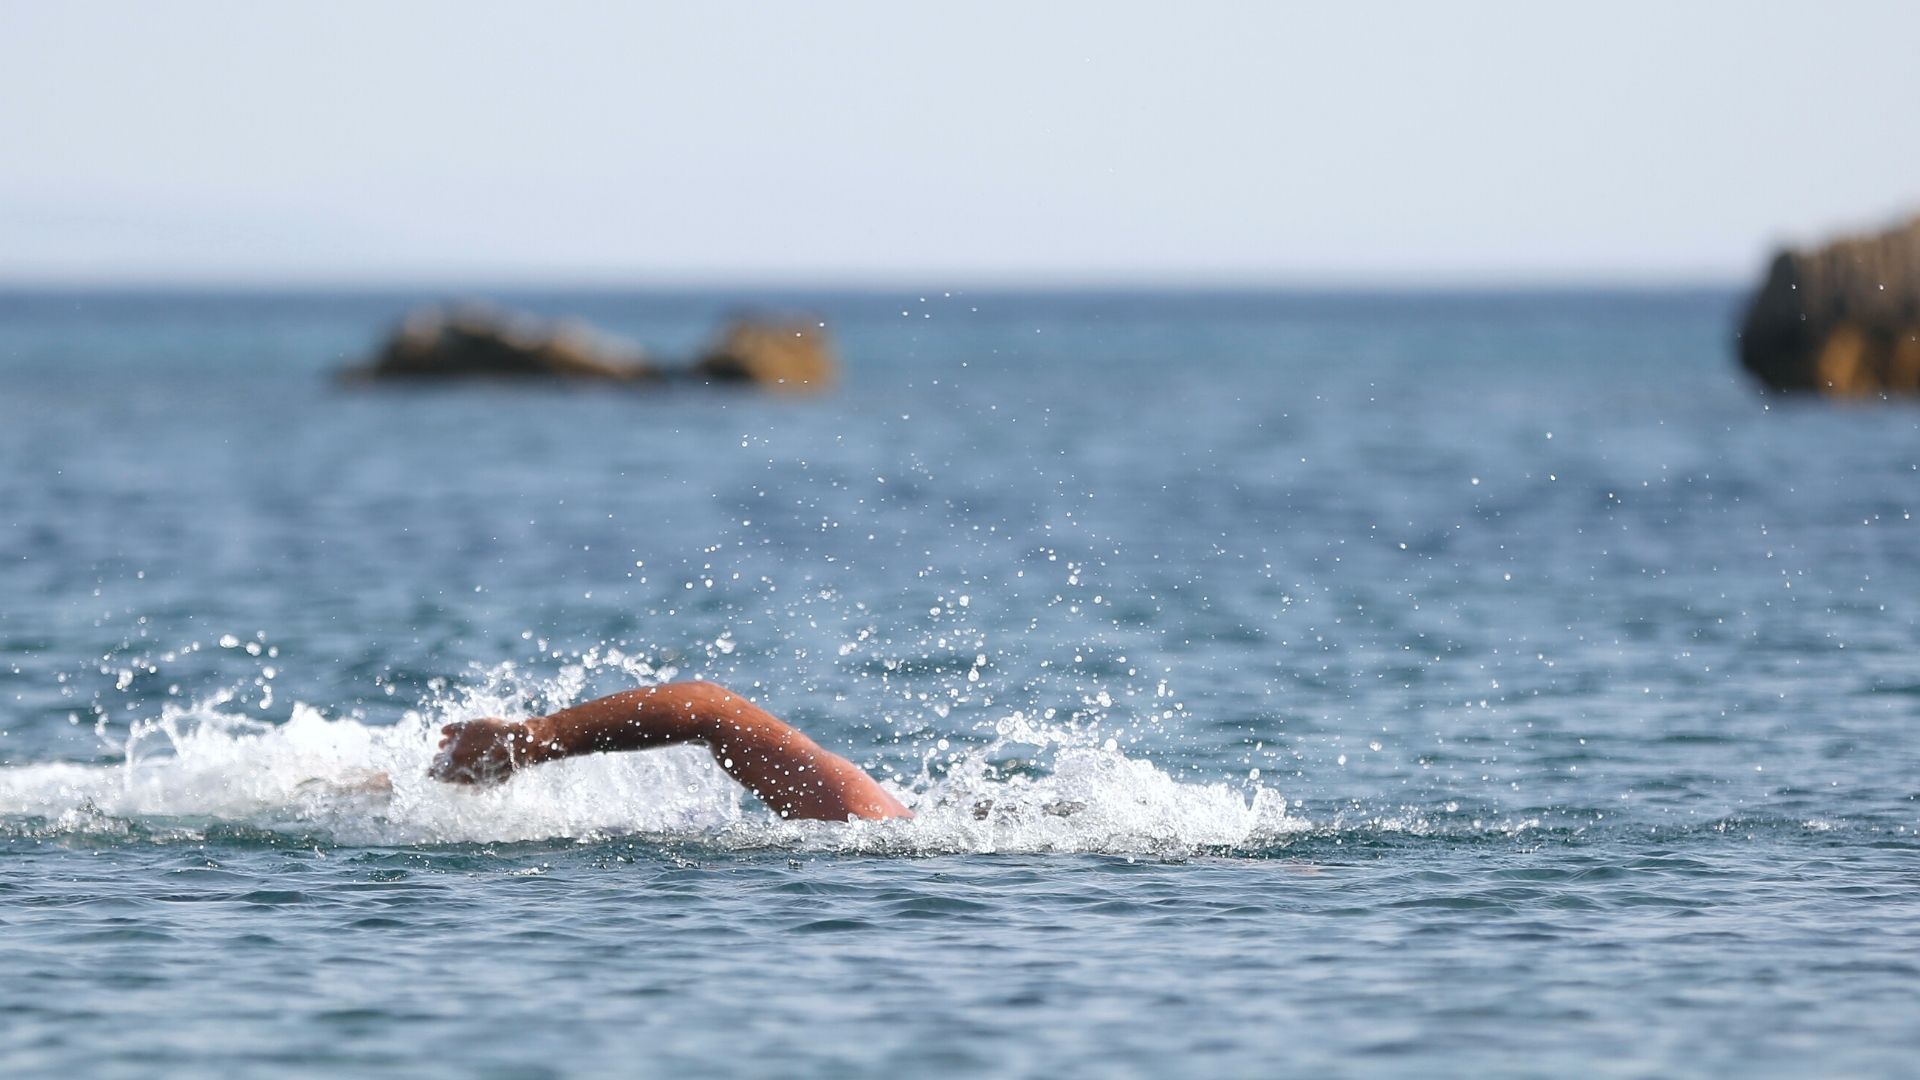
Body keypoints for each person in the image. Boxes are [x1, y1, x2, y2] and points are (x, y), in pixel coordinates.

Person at [429, 680, 913, 822]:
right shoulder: (868, 823)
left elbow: (712, 708)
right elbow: (710, 708)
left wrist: (537, 738)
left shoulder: (869, 828)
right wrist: (535, 738)